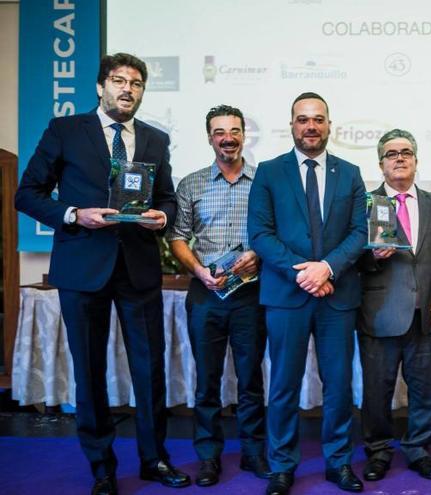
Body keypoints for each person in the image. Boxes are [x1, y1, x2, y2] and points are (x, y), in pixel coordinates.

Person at [15, 52, 189, 494]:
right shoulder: (65, 131)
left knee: (150, 371)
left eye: (136, 83)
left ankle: (155, 460)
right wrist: (75, 214)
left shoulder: (155, 138)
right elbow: (28, 193)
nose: (127, 89)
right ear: (100, 87)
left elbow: (167, 197)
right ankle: (102, 468)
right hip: (82, 267)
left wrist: (161, 218)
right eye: (118, 80)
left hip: (138, 269)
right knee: (89, 372)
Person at [248, 92, 367, 495]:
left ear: (330, 125)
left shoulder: (349, 173)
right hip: (287, 294)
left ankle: (338, 463)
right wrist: (304, 272)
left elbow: (359, 232)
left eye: (318, 119)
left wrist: (327, 267)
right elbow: (260, 234)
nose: (310, 126)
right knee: (283, 385)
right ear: (292, 125)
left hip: (337, 296)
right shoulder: (268, 171)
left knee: (339, 385)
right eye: (303, 119)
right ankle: (282, 465)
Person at [168, 105, 269, 487]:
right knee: (206, 382)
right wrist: (198, 270)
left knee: (250, 380)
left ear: (244, 135)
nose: (227, 137)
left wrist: (258, 254)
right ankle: (208, 456)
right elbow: (177, 236)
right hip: (206, 294)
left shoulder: (264, 182)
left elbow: (275, 231)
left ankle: (253, 453)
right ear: (209, 137)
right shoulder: (191, 184)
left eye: (234, 130)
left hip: (250, 294)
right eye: (219, 131)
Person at [356, 129, 431, 482]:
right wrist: (373, 259)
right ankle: (378, 450)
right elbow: (352, 259)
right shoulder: (364, 203)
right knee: (376, 391)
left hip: (427, 311)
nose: (400, 158)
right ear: (381, 164)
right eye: (392, 153)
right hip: (379, 313)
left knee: (424, 388)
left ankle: (418, 449)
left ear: (415, 160)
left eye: (406, 152)